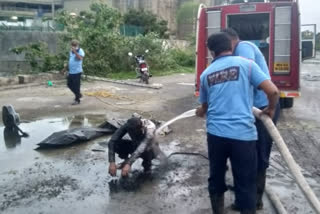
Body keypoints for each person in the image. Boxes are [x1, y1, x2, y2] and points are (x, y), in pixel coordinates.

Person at [196, 32, 279, 214]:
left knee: (216, 178)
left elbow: (204, 106)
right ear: (231, 46)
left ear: (211, 51)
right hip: (243, 136)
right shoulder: (247, 65)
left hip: (216, 136)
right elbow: (273, 92)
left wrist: (199, 112)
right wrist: (271, 109)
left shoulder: (205, 74)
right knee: (245, 182)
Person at [222, 28, 281, 210]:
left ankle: (255, 200)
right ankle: (246, 191)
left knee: (259, 155)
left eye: (226, 46)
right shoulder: (235, 52)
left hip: (263, 110)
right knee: (247, 152)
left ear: (233, 40)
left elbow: (244, 74)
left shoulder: (244, 47)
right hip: (251, 110)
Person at [67, 40, 85, 105]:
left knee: (76, 86)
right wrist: (65, 68)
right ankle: (78, 94)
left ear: (77, 45)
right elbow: (71, 60)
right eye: (72, 45)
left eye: (74, 45)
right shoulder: (71, 52)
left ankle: (77, 100)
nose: (73, 47)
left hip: (77, 71)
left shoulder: (80, 50)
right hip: (71, 71)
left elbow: (80, 58)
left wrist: (75, 52)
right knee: (69, 84)